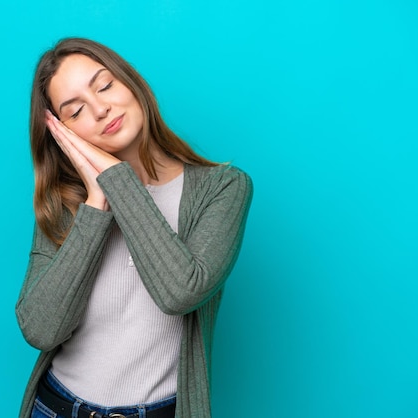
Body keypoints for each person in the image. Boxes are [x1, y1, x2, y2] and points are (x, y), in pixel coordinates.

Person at [16, 37, 253, 418]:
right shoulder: (64, 202)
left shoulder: (224, 188)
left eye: (105, 85)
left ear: (132, 82)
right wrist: (96, 203)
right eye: (75, 111)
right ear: (63, 133)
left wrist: (116, 179)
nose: (100, 108)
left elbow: (179, 292)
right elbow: (40, 330)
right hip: (57, 408)